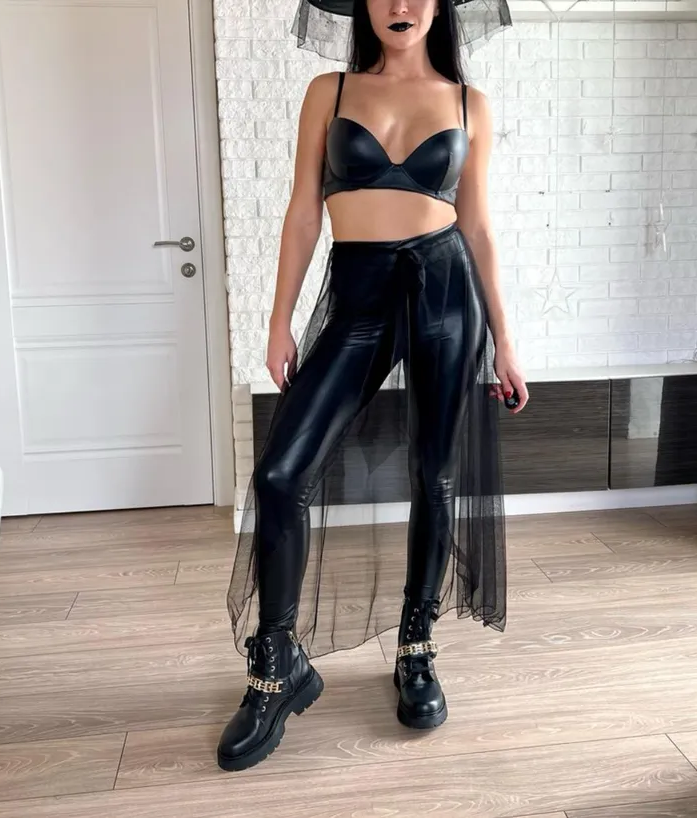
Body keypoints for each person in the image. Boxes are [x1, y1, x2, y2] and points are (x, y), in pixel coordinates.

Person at [217, 0, 528, 773]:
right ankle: (278, 666)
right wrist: (280, 321)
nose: (400, 5)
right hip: (357, 297)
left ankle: (416, 648)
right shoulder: (328, 92)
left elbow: (479, 226)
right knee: (280, 475)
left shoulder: (469, 104)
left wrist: (506, 341)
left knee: (435, 475)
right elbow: (303, 211)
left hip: (446, 294)